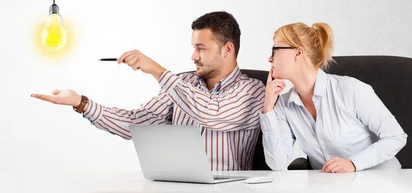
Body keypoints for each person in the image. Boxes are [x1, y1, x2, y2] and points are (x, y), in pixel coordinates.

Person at [32, 11, 265, 171]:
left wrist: (154, 69)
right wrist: (82, 103)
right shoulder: (183, 84)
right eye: (193, 47)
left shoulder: (253, 91)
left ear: (227, 49)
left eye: (201, 48)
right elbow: (138, 123)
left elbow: (211, 113)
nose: (193, 56)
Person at [261, 22, 407, 173]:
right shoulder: (283, 105)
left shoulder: (350, 90)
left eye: (275, 50)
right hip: (332, 185)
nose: (270, 59)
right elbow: (277, 164)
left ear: (298, 52)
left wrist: (353, 163)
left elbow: (396, 137)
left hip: (380, 180)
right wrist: (268, 109)